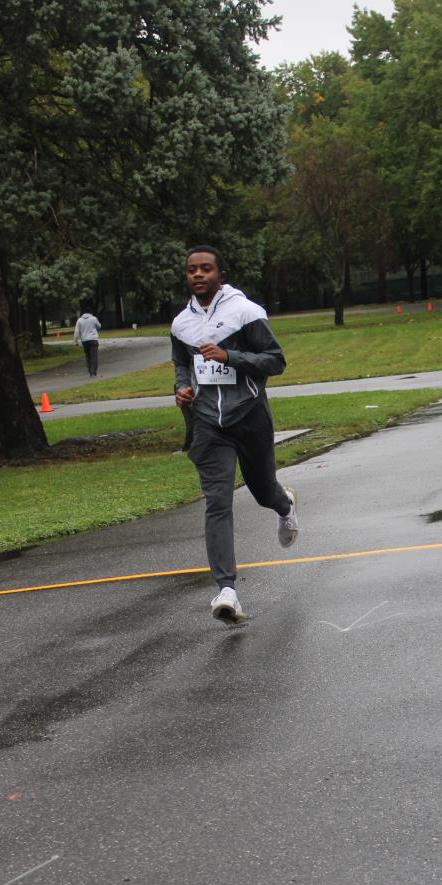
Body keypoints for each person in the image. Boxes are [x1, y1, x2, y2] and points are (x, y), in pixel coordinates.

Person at [171, 246, 299, 626]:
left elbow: (275, 360)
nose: (198, 275)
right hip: (208, 423)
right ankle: (226, 591)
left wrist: (230, 357)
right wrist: (182, 388)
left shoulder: (246, 312)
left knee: (263, 491)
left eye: (205, 269)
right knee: (217, 502)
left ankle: (285, 506)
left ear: (220, 275)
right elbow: (182, 364)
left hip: (249, 416)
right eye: (192, 270)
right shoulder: (181, 324)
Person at [73, 303, 102, 377]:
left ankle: (90, 372)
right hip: (93, 339)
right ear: (91, 312)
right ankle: (94, 373)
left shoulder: (79, 320)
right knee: (94, 356)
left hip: (84, 341)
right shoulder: (93, 319)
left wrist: (75, 342)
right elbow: (99, 326)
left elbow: (76, 332)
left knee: (88, 356)